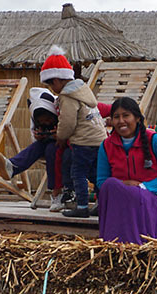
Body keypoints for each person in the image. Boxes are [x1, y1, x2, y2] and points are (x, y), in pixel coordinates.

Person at [96, 97, 157, 244]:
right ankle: (114, 243)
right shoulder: (106, 146)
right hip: (122, 200)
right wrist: (124, 185)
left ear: (137, 118)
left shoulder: (153, 140)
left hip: (154, 199)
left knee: (122, 190)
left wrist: (143, 187)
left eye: (126, 116)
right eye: (116, 117)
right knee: (110, 185)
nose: (121, 121)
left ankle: (135, 242)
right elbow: (101, 181)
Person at [39, 46, 107, 218]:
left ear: (56, 80)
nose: (52, 89)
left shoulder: (67, 96)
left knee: (78, 174)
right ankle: (102, 204)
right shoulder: (82, 90)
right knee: (95, 173)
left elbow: (67, 122)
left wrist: (61, 137)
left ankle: (82, 206)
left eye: (50, 84)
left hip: (83, 142)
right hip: (99, 140)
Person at [0, 87, 76, 212]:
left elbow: (74, 130)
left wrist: (61, 135)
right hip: (49, 147)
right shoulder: (36, 114)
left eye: (49, 120)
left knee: (50, 149)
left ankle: (56, 193)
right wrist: (39, 136)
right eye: (42, 122)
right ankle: (11, 166)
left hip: (70, 148)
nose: (46, 123)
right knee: (42, 146)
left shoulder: (63, 109)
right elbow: (34, 136)